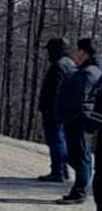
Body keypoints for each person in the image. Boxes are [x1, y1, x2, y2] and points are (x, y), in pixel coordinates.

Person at [54, 38, 102, 204]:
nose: (75, 54)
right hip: (79, 118)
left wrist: (70, 115)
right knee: (79, 156)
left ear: (83, 52)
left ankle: (80, 191)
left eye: (77, 51)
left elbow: (79, 99)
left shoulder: (88, 72)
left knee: (80, 156)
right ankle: (79, 189)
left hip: (78, 119)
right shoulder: (89, 70)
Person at [37, 37, 75, 182]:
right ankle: (63, 170)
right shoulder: (71, 64)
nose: (48, 54)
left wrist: (48, 108)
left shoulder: (58, 66)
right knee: (60, 139)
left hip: (54, 110)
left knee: (55, 140)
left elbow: (54, 91)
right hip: (64, 110)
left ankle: (58, 171)